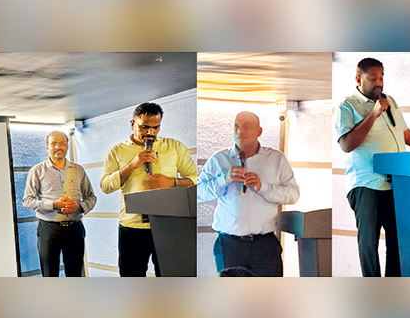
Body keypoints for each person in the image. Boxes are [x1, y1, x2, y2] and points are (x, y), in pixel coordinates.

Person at [335, 57, 410, 277]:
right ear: (359, 79)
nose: (379, 83)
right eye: (373, 78)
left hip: (396, 182)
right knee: (369, 244)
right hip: (366, 184)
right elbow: (347, 145)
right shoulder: (347, 106)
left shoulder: (389, 101)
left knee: (398, 241)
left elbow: (407, 136)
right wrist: (374, 114)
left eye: (381, 77)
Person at [197, 111, 299, 277]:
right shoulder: (218, 160)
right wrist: (223, 179)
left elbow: (293, 194)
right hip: (229, 245)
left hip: (264, 244)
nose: (240, 130)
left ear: (259, 131)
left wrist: (263, 186)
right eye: (236, 126)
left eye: (246, 126)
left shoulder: (276, 159)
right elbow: (198, 193)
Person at [100, 102, 197, 277]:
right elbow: (105, 186)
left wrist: (172, 182)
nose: (150, 132)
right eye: (144, 127)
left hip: (169, 224)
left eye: (156, 127)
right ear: (133, 124)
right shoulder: (117, 151)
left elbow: (196, 179)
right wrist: (132, 164)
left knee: (171, 277)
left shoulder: (175, 147)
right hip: (132, 226)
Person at [23, 131, 97, 277]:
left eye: (62, 143)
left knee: (75, 274)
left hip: (74, 228)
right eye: (54, 144)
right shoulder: (37, 171)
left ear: (67, 146)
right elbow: (27, 201)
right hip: (48, 229)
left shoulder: (78, 170)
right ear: (47, 147)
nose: (58, 147)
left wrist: (79, 207)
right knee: (50, 274)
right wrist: (53, 205)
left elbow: (91, 197)